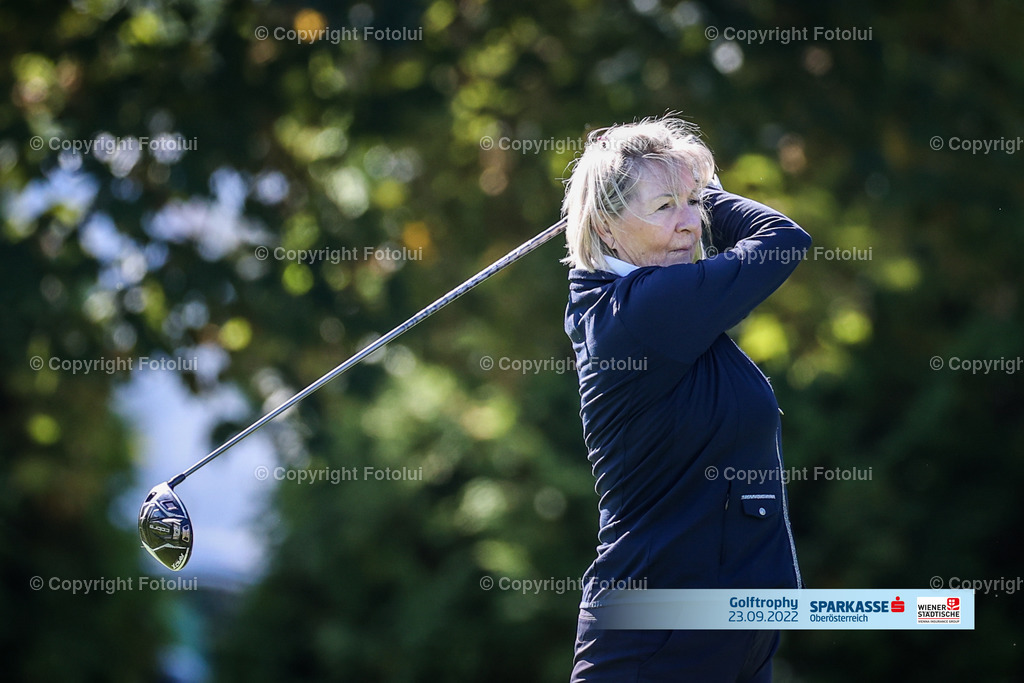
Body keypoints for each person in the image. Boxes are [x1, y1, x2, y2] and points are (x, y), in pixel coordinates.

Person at [562, 116, 811, 682]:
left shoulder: (655, 311)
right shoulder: (643, 311)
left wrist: (687, 188)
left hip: (731, 626)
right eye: (664, 207)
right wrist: (714, 191)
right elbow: (782, 241)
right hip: (660, 631)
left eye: (695, 204)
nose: (691, 225)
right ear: (605, 227)